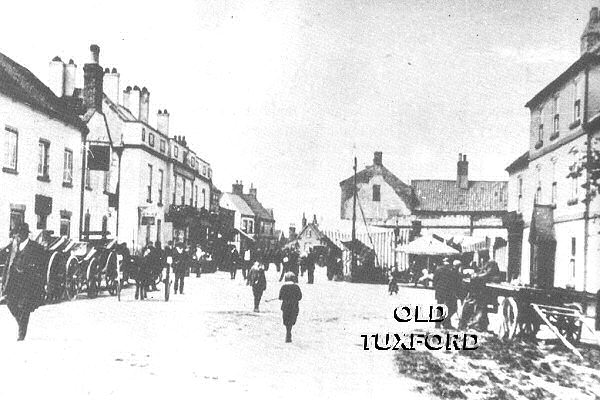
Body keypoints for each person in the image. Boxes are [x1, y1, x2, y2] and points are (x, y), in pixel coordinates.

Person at [2, 223, 46, 341]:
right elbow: (8, 264)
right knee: (10, 303)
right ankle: (21, 323)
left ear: (25, 234)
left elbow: (41, 267)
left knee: (24, 307)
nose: (16, 236)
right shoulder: (14, 246)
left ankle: (21, 334)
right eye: (16, 234)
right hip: (14, 283)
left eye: (18, 234)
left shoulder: (36, 248)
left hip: (28, 284)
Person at [459, 260, 500, 331]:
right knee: (476, 309)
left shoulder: (486, 273)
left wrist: (476, 276)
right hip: (477, 295)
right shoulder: (485, 273)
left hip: (478, 295)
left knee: (477, 309)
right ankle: (473, 325)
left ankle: (474, 325)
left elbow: (483, 275)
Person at [432, 259, 461, 329]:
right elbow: (455, 282)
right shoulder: (451, 271)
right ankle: (446, 323)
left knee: (440, 307)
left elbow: (434, 281)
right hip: (448, 292)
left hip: (440, 291)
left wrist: (437, 288)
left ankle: (438, 324)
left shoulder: (438, 269)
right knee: (451, 307)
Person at [279, 271, 302, 343]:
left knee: (286, 320)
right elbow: (300, 297)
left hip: (285, 307)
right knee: (292, 320)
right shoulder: (296, 287)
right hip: (294, 306)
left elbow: (280, 297)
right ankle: (289, 332)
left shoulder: (283, 287)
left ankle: (288, 331)